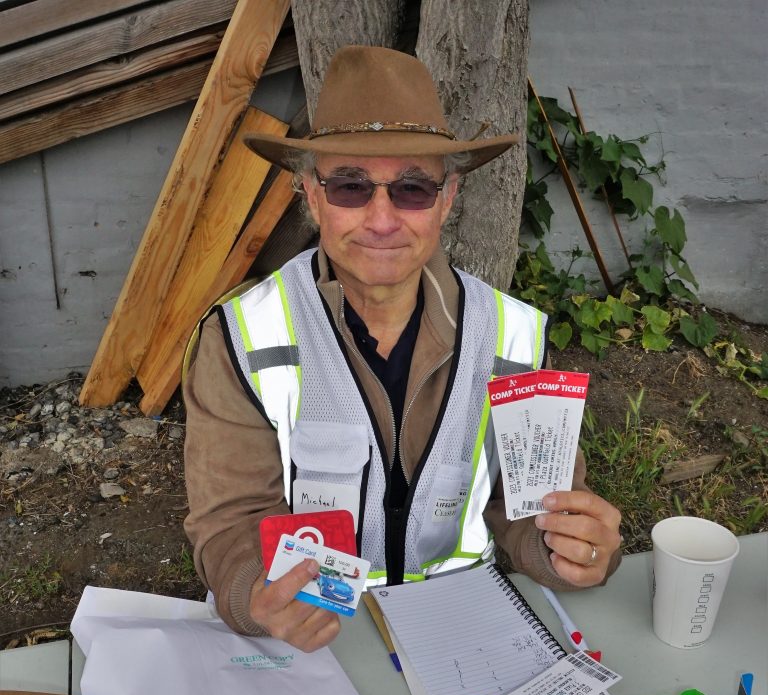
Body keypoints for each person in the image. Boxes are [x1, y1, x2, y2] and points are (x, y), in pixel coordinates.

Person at [183, 45, 622, 652]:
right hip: (313, 634)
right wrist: (255, 594)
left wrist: (567, 551)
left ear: (448, 197)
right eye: (350, 186)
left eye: (413, 188)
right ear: (311, 197)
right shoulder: (239, 338)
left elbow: (528, 512)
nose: (383, 219)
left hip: (460, 625)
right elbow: (229, 520)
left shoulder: (514, 336)